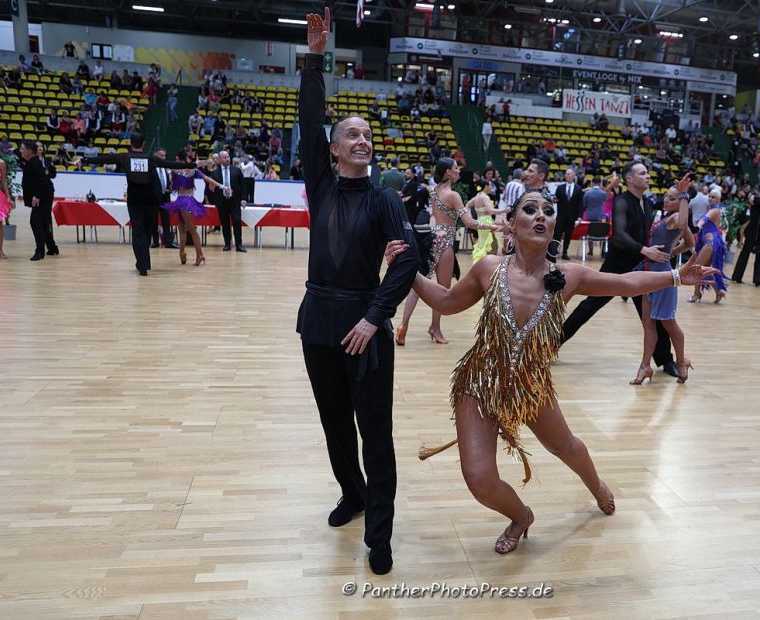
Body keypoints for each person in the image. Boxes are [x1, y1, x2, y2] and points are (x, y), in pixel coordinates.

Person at [382, 188, 716, 554]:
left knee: (567, 447)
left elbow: (624, 282)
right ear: (512, 223)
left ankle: (598, 487)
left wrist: (674, 277)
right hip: (479, 381)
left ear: (554, 225)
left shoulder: (569, 276)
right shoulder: (488, 268)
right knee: (478, 477)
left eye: (548, 210)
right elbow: (446, 302)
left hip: (531, 383)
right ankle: (521, 515)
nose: (541, 215)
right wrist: (409, 271)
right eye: (530, 209)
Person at [298, 8, 419, 577]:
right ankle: (353, 493)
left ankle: (380, 531)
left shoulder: (386, 199)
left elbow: (407, 263)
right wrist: (313, 60)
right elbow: (306, 120)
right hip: (318, 321)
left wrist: (375, 317)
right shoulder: (319, 185)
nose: (363, 139)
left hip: (363, 329)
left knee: (376, 433)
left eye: (368, 134)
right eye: (352, 133)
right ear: (333, 148)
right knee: (333, 424)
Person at [560, 162, 678, 377]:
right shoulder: (622, 201)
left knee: (653, 315)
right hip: (617, 266)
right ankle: (551, 344)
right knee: (588, 306)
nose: (647, 176)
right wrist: (645, 249)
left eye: (647, 173)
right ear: (629, 179)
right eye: (642, 173)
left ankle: (666, 360)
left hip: (640, 267)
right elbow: (619, 236)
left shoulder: (649, 203)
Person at [395, 158, 499, 346]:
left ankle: (403, 325)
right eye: (456, 168)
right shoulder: (453, 195)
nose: (459, 171)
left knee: (419, 285)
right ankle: (435, 327)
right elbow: (469, 223)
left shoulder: (433, 191)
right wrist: (492, 227)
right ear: (448, 173)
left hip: (432, 238)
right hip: (445, 243)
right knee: (443, 290)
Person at [81, 134, 196, 275]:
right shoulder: (150, 158)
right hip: (150, 200)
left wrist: (86, 160)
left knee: (138, 231)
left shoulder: (125, 157)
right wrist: (192, 165)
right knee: (147, 231)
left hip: (134, 199)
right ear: (144, 143)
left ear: (131, 143)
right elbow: (170, 164)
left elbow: (104, 159)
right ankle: (143, 263)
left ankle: (142, 264)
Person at [630, 176, 697, 385]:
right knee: (648, 324)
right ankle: (645, 366)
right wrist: (671, 251)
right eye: (666, 197)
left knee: (668, 323)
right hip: (649, 272)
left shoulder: (676, 218)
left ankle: (681, 362)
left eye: (672, 198)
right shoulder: (669, 217)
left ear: (681, 203)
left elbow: (686, 230)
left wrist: (684, 194)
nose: (666, 200)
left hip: (663, 277)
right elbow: (689, 242)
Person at [161, 152, 225, 266]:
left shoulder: (176, 169)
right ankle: (184, 253)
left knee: (186, 230)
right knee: (187, 229)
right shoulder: (192, 169)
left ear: (178, 159)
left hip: (183, 201)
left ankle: (195, 254)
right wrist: (221, 186)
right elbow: (207, 177)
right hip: (187, 200)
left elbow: (170, 183)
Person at [19, 141, 59, 261]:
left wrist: (37, 196)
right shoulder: (31, 162)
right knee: (43, 223)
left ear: (30, 151)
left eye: (22, 149)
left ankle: (40, 251)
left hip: (43, 197)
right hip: (42, 196)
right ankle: (52, 248)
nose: (20, 151)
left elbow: (44, 181)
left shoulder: (35, 163)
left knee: (35, 222)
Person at [732, 182, 760, 287]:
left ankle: (759, 280)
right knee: (745, 254)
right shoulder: (755, 197)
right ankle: (737, 277)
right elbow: (757, 200)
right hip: (752, 232)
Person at [688, 207, 729, 303]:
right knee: (703, 270)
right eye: (710, 196)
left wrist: (697, 226)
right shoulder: (712, 210)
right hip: (710, 242)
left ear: (718, 198)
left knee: (696, 268)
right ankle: (718, 291)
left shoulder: (714, 210)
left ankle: (697, 293)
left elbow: (703, 220)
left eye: (713, 197)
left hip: (710, 243)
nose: (710, 198)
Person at [211, 150, 245, 252]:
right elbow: (211, 189)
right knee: (225, 223)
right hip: (222, 201)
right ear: (220, 160)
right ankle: (227, 244)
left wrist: (243, 199)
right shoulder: (214, 173)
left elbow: (243, 185)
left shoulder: (237, 170)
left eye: (228, 157)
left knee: (237, 221)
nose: (227, 159)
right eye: (225, 157)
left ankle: (239, 244)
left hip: (234, 201)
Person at [468, 180, 508, 263]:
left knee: (490, 243)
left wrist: (470, 218)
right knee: (487, 244)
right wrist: (504, 210)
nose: (491, 188)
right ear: (486, 186)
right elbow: (491, 211)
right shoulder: (484, 197)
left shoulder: (478, 196)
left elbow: (467, 205)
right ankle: (485, 263)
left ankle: (487, 263)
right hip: (486, 222)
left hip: (481, 221)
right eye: (490, 185)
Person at [552, 168, 583, 260]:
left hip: (572, 217)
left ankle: (565, 252)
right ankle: (554, 251)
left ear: (573, 176)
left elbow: (580, 204)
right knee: (557, 234)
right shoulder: (560, 188)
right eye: (566, 174)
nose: (567, 175)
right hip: (561, 216)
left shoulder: (578, 189)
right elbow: (556, 199)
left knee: (568, 235)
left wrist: (579, 216)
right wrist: (554, 200)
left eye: (569, 174)